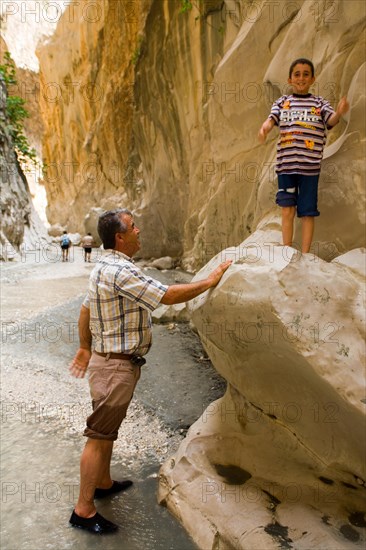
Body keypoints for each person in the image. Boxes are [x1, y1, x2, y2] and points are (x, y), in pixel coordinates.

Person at [68, 208, 232, 534]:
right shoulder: (121, 272)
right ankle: (83, 510)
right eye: (133, 227)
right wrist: (210, 281)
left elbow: (86, 309)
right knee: (98, 437)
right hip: (115, 368)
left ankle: (102, 483)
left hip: (108, 363)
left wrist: (85, 347)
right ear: (120, 236)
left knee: (107, 429)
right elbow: (167, 296)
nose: (139, 231)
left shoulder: (103, 266)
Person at [258, 58, 349, 253]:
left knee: (308, 212)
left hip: (310, 170)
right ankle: (287, 250)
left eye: (305, 74)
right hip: (286, 168)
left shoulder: (319, 103)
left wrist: (339, 112)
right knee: (287, 209)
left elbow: (331, 121)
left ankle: (306, 254)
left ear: (313, 79)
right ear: (290, 79)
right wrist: (265, 127)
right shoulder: (283, 102)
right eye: (297, 74)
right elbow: (271, 119)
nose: (301, 78)